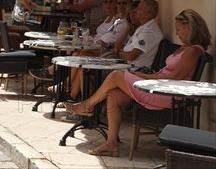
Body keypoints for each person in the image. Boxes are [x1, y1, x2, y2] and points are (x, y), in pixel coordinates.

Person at [64, 9, 211, 157]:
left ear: (190, 28)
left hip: (167, 95)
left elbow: (173, 78)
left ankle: (88, 105)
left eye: (179, 29)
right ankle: (111, 143)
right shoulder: (185, 48)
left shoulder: (193, 51)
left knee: (116, 75)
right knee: (113, 95)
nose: (177, 33)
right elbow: (166, 74)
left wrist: (143, 77)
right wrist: (145, 77)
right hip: (156, 87)